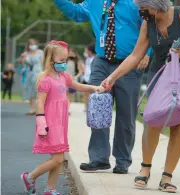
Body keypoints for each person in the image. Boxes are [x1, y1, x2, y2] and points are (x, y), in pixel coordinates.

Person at [101, 0, 180, 192]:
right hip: (160, 73)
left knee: (179, 125)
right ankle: (146, 167)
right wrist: (112, 77)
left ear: (157, 5)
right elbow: (135, 56)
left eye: (144, 9)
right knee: (153, 120)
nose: (142, 13)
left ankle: (167, 176)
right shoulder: (147, 23)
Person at [54, 0, 151, 174]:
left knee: (126, 114)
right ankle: (99, 158)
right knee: (98, 106)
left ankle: (122, 160)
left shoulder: (135, 3)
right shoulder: (95, 2)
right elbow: (76, 13)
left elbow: (151, 24)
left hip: (129, 62)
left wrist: (147, 53)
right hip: (102, 61)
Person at [20, 40, 104, 195]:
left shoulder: (63, 76)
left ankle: (50, 189)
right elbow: (40, 102)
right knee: (58, 158)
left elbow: (77, 86)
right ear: (51, 60)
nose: (64, 63)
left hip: (61, 122)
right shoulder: (45, 79)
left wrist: (93, 87)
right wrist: (41, 122)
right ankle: (29, 177)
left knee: (59, 155)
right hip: (50, 122)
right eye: (61, 61)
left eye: (66, 60)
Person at [19, 39, 44, 115]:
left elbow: (44, 62)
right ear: (28, 46)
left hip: (38, 74)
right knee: (30, 91)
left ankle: (39, 109)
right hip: (29, 74)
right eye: (31, 44)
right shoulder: (26, 53)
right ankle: (32, 109)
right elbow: (21, 63)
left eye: (34, 44)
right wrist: (22, 58)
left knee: (39, 92)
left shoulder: (40, 52)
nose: (33, 46)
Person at [82, 42, 96, 110]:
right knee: (86, 94)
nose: (86, 52)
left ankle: (91, 107)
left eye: (87, 50)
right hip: (86, 77)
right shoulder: (88, 58)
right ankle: (86, 107)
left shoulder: (95, 59)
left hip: (91, 78)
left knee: (91, 94)